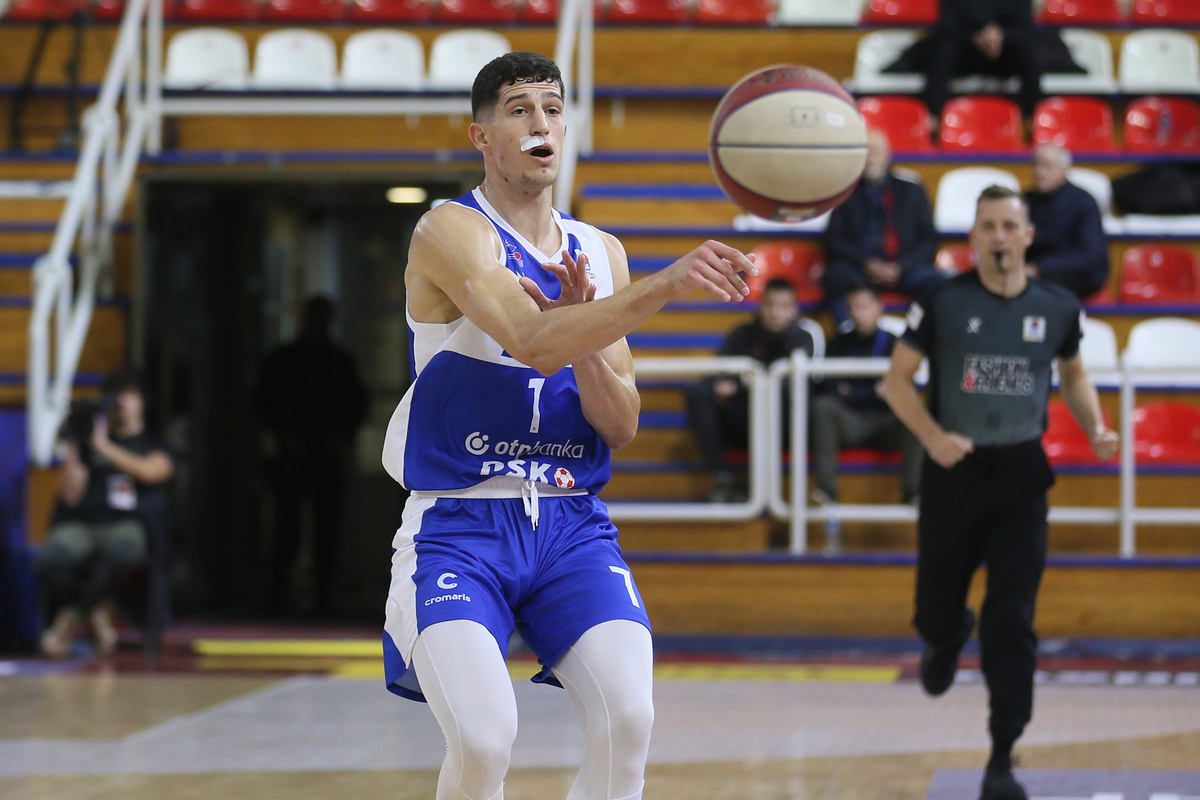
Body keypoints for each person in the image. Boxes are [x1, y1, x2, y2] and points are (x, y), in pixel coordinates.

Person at [380, 51, 758, 800]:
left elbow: (619, 424)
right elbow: (529, 339)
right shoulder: (451, 231)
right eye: (519, 110)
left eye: (551, 108)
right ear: (481, 136)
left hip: (569, 525)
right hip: (461, 523)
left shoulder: (600, 252)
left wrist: (584, 339)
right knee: (486, 742)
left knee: (630, 718)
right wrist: (666, 285)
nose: (540, 123)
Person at [882, 185, 1118, 800]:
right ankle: (944, 635)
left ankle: (1003, 755)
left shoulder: (1060, 307)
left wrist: (1095, 425)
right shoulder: (942, 299)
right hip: (953, 472)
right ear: (974, 238)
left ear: (1027, 234)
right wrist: (932, 437)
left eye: (1009, 225)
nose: (999, 236)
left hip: (1021, 477)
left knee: (1012, 619)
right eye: (987, 226)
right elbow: (896, 382)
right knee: (935, 608)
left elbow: (1073, 374)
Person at [35, 371, 174, 657]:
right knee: (49, 556)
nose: (122, 403)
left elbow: (151, 472)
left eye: (129, 396)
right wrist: (74, 444)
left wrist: (105, 448)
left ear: (141, 402)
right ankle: (94, 611)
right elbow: (71, 495)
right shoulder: (89, 442)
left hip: (128, 524)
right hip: (85, 525)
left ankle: (71, 618)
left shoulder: (153, 443)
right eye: (116, 397)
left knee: (124, 550)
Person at [255, 295, 368, 616]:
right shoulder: (284, 359)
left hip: (328, 454)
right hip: (290, 454)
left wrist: (340, 437)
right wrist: (284, 435)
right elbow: (265, 400)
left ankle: (323, 594)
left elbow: (355, 404)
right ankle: (278, 591)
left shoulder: (339, 361)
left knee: (327, 527)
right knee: (285, 525)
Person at [685, 277, 814, 501]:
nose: (775, 313)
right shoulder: (742, 334)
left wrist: (742, 386)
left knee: (774, 407)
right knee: (699, 394)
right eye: (770, 305)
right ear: (761, 305)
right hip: (739, 417)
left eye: (783, 307)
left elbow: (792, 390)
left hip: (780, 425)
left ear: (794, 310)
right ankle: (721, 477)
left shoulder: (803, 339)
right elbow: (716, 373)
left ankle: (754, 484)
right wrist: (724, 385)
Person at [811, 286, 922, 506]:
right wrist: (874, 391)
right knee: (823, 407)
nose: (857, 313)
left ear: (878, 308)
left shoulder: (895, 344)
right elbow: (829, 389)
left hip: (887, 423)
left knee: (916, 411)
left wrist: (852, 392)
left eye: (863, 306)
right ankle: (826, 490)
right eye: (852, 307)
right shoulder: (837, 343)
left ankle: (912, 492)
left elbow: (898, 389)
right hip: (850, 422)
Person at [823, 129, 940, 322]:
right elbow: (833, 239)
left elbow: (928, 239)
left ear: (887, 155)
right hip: (862, 271)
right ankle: (847, 333)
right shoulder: (847, 194)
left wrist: (900, 266)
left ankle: (925, 338)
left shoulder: (912, 190)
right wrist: (866, 263)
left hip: (904, 269)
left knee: (939, 282)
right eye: (865, 153)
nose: (870, 159)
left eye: (875, 152)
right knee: (834, 276)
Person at [923, 0, 1042, 121]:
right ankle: (933, 118)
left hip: (1004, 52)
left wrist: (1001, 37)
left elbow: (1025, 28)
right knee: (945, 49)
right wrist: (976, 38)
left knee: (1028, 51)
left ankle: (1033, 119)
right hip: (967, 51)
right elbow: (947, 27)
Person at [1024, 144, 1110, 300]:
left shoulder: (1083, 202)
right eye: (1036, 165)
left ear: (1065, 170)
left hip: (1075, 276)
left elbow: (1090, 256)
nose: (1039, 172)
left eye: (1047, 166)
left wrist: (1039, 268)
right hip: (1033, 274)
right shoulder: (1025, 201)